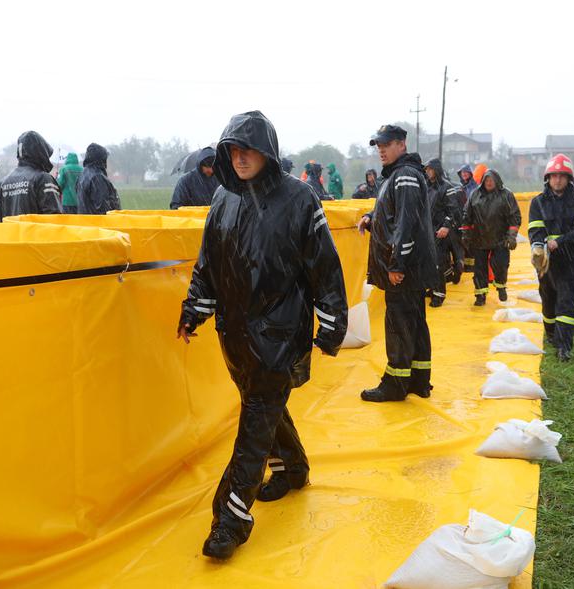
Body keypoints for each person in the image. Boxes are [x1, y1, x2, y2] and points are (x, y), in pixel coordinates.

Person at [178, 111, 347, 560]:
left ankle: (229, 521)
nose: (239, 157)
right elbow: (208, 261)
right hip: (234, 334)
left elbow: (324, 264)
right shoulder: (222, 200)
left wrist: (332, 321)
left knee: (254, 424)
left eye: (247, 149)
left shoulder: (299, 199)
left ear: (266, 152)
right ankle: (293, 469)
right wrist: (195, 307)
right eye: (233, 150)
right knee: (264, 409)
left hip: (280, 332)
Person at [357, 124, 439, 402]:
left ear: (401, 144)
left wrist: (396, 265)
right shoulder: (401, 175)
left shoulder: (403, 176)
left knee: (399, 325)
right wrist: (371, 216)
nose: (381, 149)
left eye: (386, 144)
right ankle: (418, 380)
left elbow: (406, 223)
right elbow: (395, 213)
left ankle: (395, 384)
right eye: (378, 145)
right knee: (414, 322)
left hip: (405, 269)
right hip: (414, 268)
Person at [528, 153, 574, 361]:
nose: (558, 180)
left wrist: (560, 242)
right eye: (554, 176)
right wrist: (538, 247)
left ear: (568, 179)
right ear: (548, 178)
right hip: (547, 263)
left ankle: (564, 347)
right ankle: (551, 335)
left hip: (571, 259)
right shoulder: (537, 202)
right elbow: (535, 230)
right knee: (548, 300)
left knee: (566, 301)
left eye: (562, 176)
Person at [460, 169, 521, 306]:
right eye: (486, 180)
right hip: (479, 240)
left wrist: (511, 237)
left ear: (497, 181)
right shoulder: (475, 195)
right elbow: (466, 216)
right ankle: (480, 295)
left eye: (491, 180)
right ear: (483, 181)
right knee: (479, 270)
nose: (489, 183)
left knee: (501, 266)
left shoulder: (506, 195)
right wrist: (465, 234)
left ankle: (501, 287)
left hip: (500, 239)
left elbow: (515, 217)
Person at [422, 158, 464, 307]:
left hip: (440, 232)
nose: (427, 172)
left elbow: (454, 210)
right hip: (428, 231)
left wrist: (446, 226)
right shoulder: (426, 187)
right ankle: (432, 288)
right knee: (428, 263)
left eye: (429, 169)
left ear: (436, 169)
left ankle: (439, 294)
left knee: (438, 263)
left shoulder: (446, 187)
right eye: (425, 169)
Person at [0, 131, 61, 221]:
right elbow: (55, 218)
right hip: (35, 235)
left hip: (11, 234)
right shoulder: (43, 179)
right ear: (40, 152)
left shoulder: (3, 182)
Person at [77, 143, 120, 214]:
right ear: (101, 159)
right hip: (98, 223)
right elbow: (103, 207)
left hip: (85, 221)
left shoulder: (82, 175)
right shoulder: (97, 177)